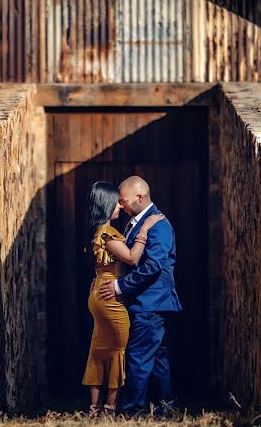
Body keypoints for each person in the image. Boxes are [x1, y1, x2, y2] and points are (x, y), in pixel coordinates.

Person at [98, 176, 182, 416]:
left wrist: (120, 286)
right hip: (148, 301)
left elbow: (153, 265)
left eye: (123, 201)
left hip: (151, 302)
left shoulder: (159, 225)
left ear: (139, 197)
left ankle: (131, 411)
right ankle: (165, 409)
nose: (121, 205)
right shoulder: (136, 223)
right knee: (156, 358)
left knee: (138, 357)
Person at [82, 181, 164, 416]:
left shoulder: (99, 230)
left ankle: (94, 409)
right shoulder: (107, 231)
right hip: (110, 297)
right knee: (118, 349)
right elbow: (131, 258)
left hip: (99, 290)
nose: (120, 205)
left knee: (98, 349)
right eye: (116, 202)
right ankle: (110, 408)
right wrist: (145, 230)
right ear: (106, 204)